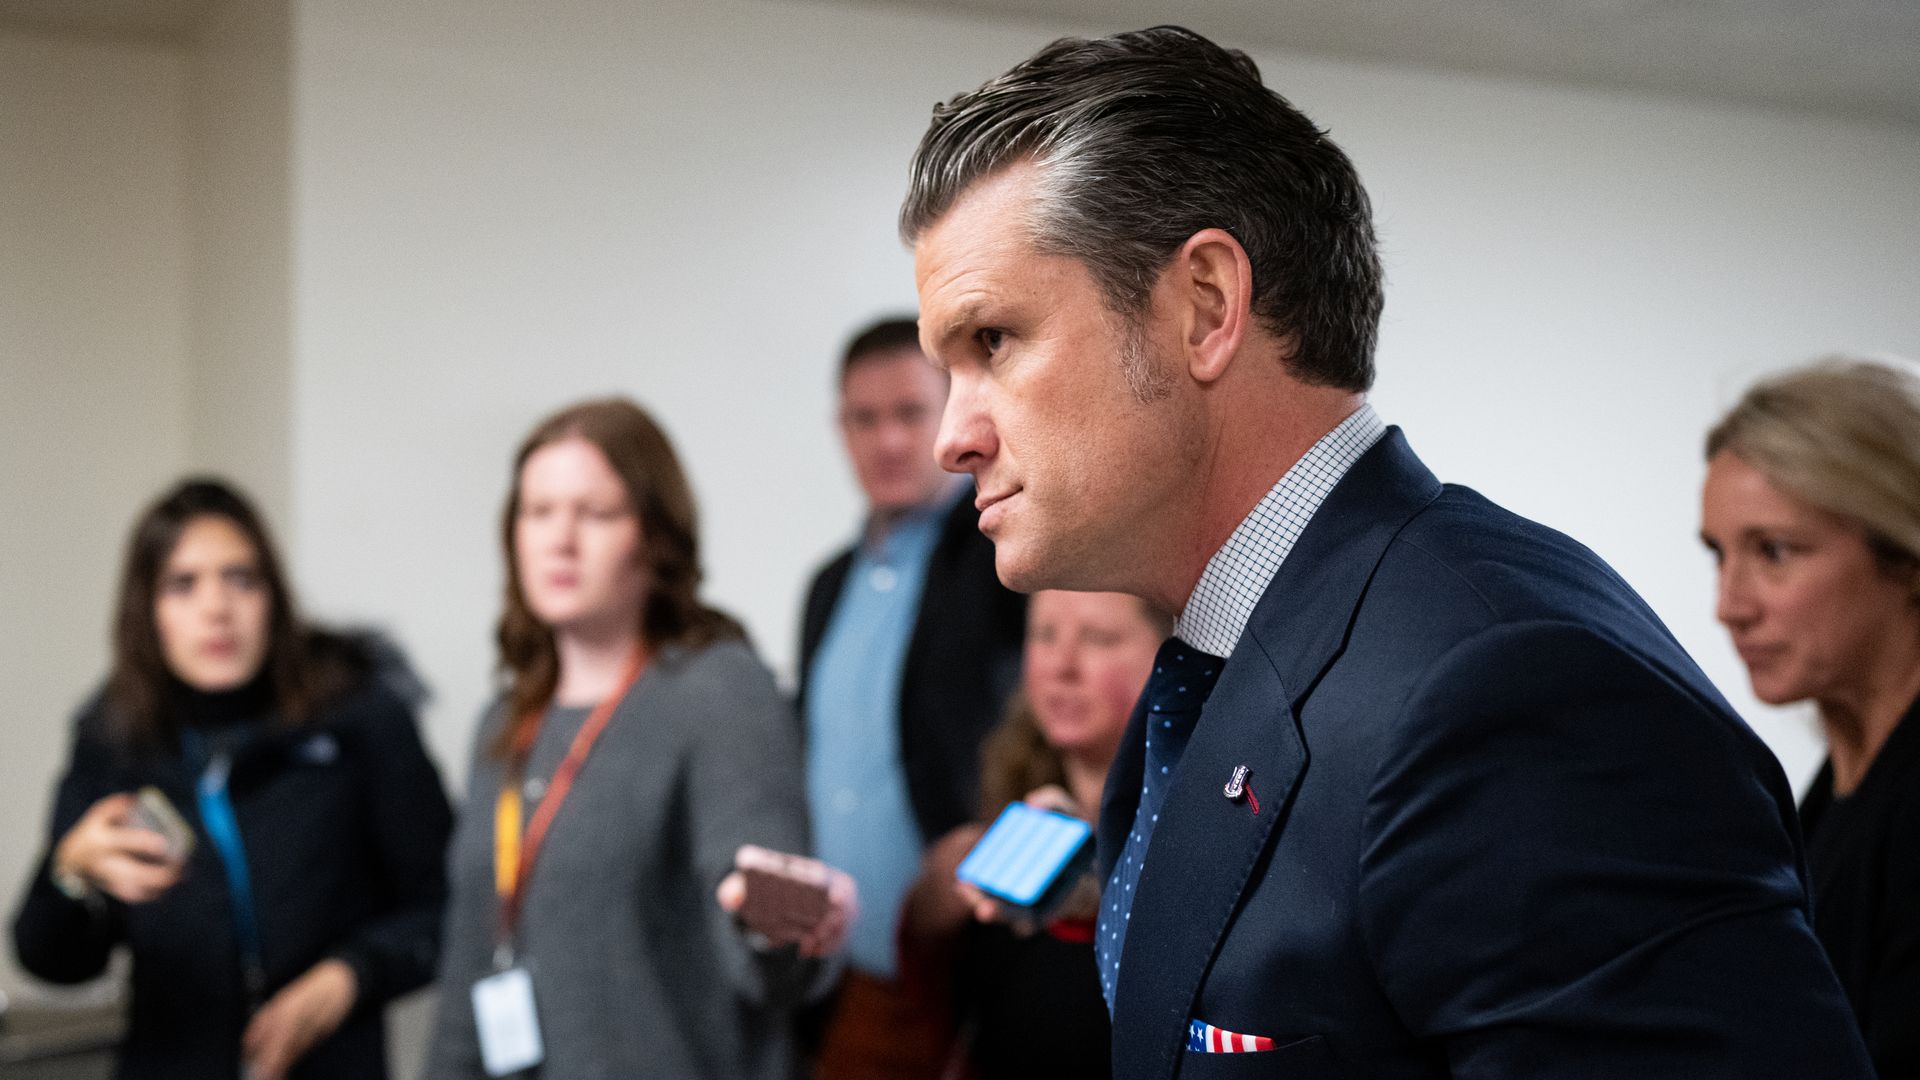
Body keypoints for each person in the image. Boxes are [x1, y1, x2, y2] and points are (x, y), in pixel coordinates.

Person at [901, 25, 1872, 1078]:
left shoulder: (1504, 688)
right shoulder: (1212, 676)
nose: (952, 437)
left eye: (993, 341)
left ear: (1206, 307)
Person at [425, 397, 851, 1080]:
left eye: (595, 513)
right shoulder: (504, 722)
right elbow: (468, 967)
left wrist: (790, 920)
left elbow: (768, 931)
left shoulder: (719, 690)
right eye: (538, 512)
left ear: (655, 536)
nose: (561, 539)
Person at [11, 479, 451, 1080]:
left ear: (274, 596)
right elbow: (50, 961)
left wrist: (348, 976)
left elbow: (446, 902)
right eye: (183, 584)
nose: (216, 608)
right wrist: (70, 873)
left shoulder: (356, 716)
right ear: (149, 613)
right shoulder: (115, 741)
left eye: (241, 579)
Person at [797, 318, 1026, 1076]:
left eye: (909, 413)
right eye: (865, 419)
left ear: (952, 412)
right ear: (840, 429)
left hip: (967, 971)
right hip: (842, 980)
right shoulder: (828, 586)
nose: (888, 440)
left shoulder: (1005, 561)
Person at [1700, 356, 1920, 1077]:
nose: (1729, 606)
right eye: (1719, 554)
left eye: (1774, 551)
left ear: (1905, 551)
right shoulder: (1841, 789)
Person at [904, 590, 1169, 1080]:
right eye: (1044, 634)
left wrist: (1092, 884)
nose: (1061, 666)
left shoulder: (1201, 817)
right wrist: (935, 897)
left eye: (1098, 638)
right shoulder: (1002, 798)